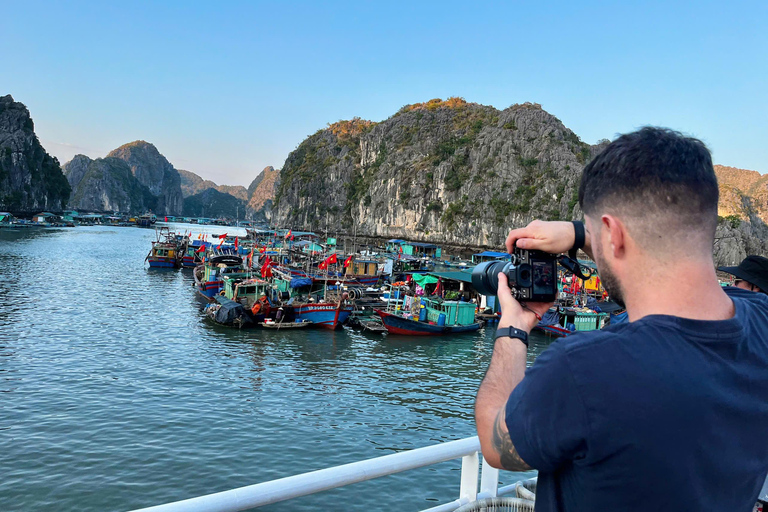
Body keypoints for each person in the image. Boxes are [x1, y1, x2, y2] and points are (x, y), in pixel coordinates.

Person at [474, 127, 768, 511]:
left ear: (611, 234)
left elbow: (496, 445)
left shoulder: (583, 372)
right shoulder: (761, 321)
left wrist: (513, 328)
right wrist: (584, 232)